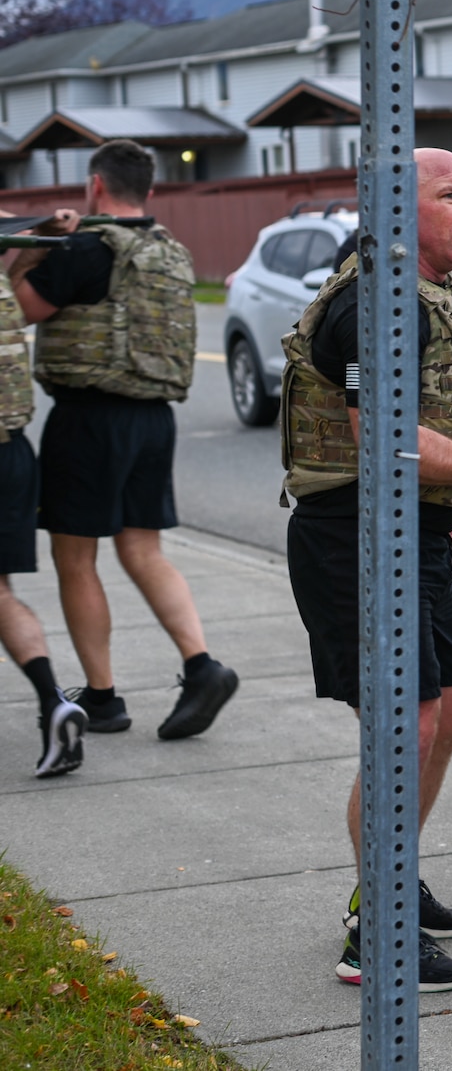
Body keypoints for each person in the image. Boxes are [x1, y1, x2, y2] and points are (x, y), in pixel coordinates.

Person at [281, 147, 452, 992]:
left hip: (414, 530)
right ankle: (376, 927)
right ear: (396, 209)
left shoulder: (441, 286)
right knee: (406, 724)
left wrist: (447, 514)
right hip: (354, 536)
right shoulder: (376, 301)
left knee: (451, 706)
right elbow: (385, 439)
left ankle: (391, 877)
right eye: (451, 195)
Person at [10, 139, 231, 743]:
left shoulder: (85, 248)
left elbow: (18, 310)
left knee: (75, 557)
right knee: (143, 549)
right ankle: (201, 665)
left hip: (89, 418)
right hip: (154, 418)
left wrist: (28, 254)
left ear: (96, 186)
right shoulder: (168, 250)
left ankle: (103, 697)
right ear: (149, 191)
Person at [0, 210, 85, 778]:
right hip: (13, 450)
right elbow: (18, 259)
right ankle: (52, 700)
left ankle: (54, 703)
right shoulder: (3, 296)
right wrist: (41, 237)